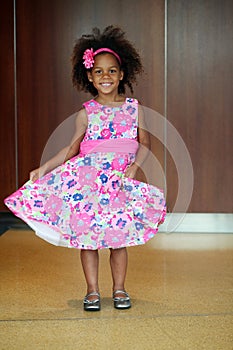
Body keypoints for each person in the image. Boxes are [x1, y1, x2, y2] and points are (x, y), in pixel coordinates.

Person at [4, 25, 166, 311]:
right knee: (88, 239)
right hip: (87, 184)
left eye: (112, 71)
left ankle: (119, 289)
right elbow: (72, 150)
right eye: (100, 71)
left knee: (118, 239)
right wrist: (45, 167)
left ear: (122, 74)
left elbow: (145, 143)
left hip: (117, 184)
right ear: (90, 76)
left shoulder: (133, 109)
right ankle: (92, 290)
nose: (106, 76)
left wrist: (135, 167)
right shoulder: (86, 113)